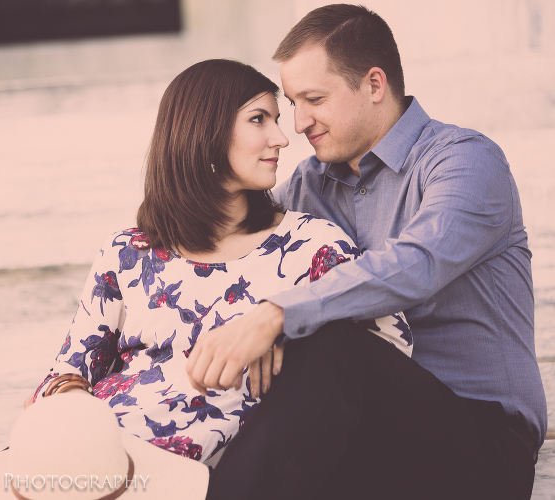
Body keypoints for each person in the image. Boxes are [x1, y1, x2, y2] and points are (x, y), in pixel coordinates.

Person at [186, 5, 547, 500]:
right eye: (292, 102)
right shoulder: (308, 186)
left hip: (480, 442)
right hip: (359, 434)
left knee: (326, 342)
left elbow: (415, 265)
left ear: (374, 85)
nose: (298, 122)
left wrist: (275, 316)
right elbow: (234, 249)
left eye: (313, 99)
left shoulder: (465, 160)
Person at [24, 58, 412, 467]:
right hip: (91, 461)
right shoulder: (127, 253)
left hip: (202, 476)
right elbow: (62, 378)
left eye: (275, 120)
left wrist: (290, 336)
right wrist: (77, 421)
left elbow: (388, 350)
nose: (282, 137)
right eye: (259, 119)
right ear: (204, 133)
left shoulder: (310, 245)